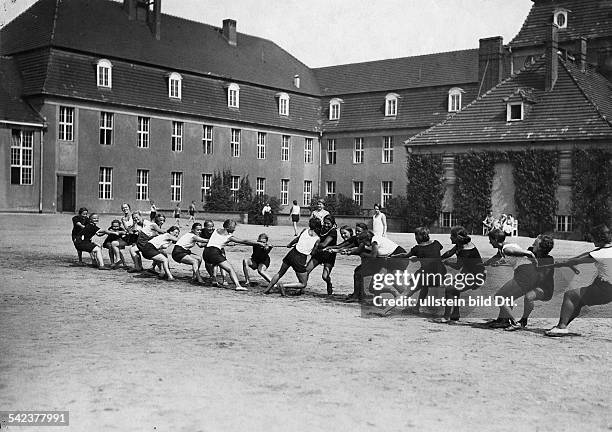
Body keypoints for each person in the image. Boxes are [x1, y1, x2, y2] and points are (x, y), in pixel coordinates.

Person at [545, 224, 612, 337]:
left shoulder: (598, 254)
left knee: (570, 295)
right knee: (578, 301)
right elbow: (586, 255)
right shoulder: (605, 251)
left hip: (605, 289)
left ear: (599, 238)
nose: (592, 241)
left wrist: (564, 263)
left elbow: (577, 260)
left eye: (593, 238)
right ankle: (562, 325)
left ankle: (561, 327)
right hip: (606, 288)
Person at [484, 228, 538, 329]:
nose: (489, 242)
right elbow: (496, 257)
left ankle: (514, 322)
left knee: (499, 297)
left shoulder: (506, 249)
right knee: (507, 297)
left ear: (495, 239)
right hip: (524, 273)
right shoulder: (504, 247)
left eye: (490, 240)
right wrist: (484, 264)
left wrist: (535, 263)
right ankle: (503, 320)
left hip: (524, 274)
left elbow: (529, 253)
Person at [264, 217, 321, 296]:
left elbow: (297, 239)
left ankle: (267, 290)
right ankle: (284, 286)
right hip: (300, 258)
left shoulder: (304, 230)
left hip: (292, 253)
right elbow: (313, 253)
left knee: (280, 273)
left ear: (309, 224)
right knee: (303, 283)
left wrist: (289, 244)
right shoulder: (317, 239)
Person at [439, 226, 485, 322]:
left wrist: (447, 263)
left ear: (457, 238)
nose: (450, 238)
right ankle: (455, 314)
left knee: (450, 289)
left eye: (452, 236)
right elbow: (449, 252)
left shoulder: (465, 251)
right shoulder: (461, 245)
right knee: (454, 289)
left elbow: (457, 266)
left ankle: (446, 316)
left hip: (476, 276)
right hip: (469, 273)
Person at [203, 219, 264, 291]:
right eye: (233, 227)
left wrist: (226, 243)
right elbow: (244, 241)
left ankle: (214, 280)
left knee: (214, 264)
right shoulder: (229, 237)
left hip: (206, 252)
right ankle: (238, 285)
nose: (234, 229)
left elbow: (218, 239)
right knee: (230, 269)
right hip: (214, 252)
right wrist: (258, 243)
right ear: (228, 227)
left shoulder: (216, 230)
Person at [400, 227, 445, 314]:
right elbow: (432, 253)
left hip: (426, 273)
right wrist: (419, 257)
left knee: (409, 289)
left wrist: (394, 256)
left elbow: (405, 255)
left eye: (415, 236)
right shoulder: (436, 243)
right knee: (424, 287)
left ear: (418, 237)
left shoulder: (417, 248)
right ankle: (416, 308)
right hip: (440, 272)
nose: (415, 238)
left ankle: (386, 310)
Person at [306, 214, 338, 295]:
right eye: (325, 223)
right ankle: (301, 287)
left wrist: (314, 244)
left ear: (332, 223)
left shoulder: (333, 231)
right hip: (319, 254)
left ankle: (329, 283)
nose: (326, 225)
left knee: (324, 276)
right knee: (306, 271)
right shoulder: (321, 229)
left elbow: (324, 244)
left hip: (329, 255)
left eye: (328, 223)